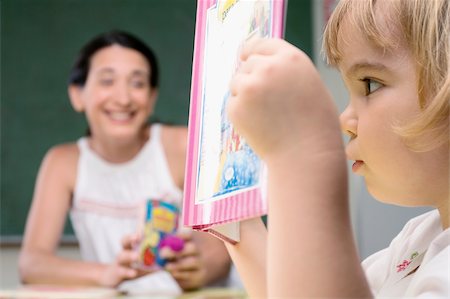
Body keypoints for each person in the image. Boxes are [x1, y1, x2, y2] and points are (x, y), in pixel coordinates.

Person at [223, 0, 449, 298]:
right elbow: (304, 288)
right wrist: (235, 220)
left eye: (369, 84)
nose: (345, 120)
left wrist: (303, 155)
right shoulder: (419, 240)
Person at [19, 30, 232, 294]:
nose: (123, 98)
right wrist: (107, 273)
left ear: (152, 98)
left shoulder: (183, 146)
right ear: (77, 95)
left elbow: (223, 250)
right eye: (107, 81)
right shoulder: (63, 163)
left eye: (138, 83)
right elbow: (32, 265)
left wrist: (199, 267)